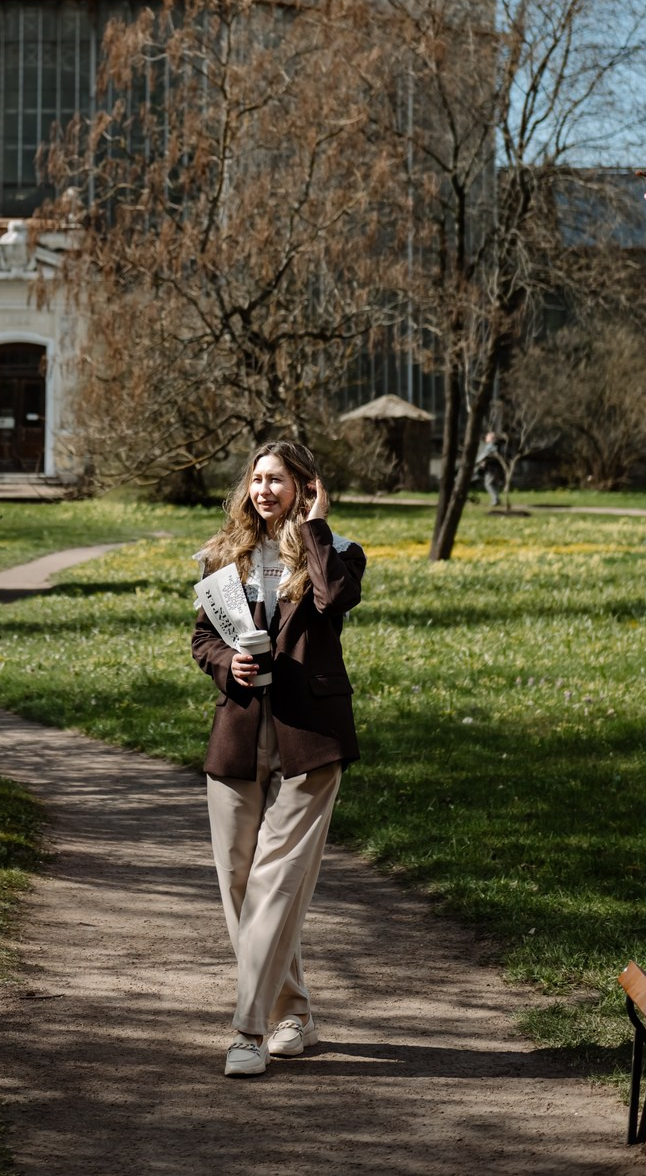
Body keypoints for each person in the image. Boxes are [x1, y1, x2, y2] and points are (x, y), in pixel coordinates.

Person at [192, 439, 365, 1078]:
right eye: (258, 479)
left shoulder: (337, 551)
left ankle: (247, 1030)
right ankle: (292, 1009)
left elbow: (333, 601)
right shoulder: (223, 555)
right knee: (239, 882)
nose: (265, 490)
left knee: (273, 880)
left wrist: (316, 525)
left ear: (304, 487)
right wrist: (225, 663)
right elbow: (203, 638)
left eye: (279, 480)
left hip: (309, 739)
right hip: (238, 732)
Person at [475, 430, 505, 508]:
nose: (486, 438)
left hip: (492, 468)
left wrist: (478, 461)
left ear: (492, 438)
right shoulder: (496, 446)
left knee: (488, 484)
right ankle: (496, 499)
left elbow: (486, 455)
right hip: (495, 468)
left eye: (487, 437)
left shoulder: (492, 446)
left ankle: (495, 500)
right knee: (493, 484)